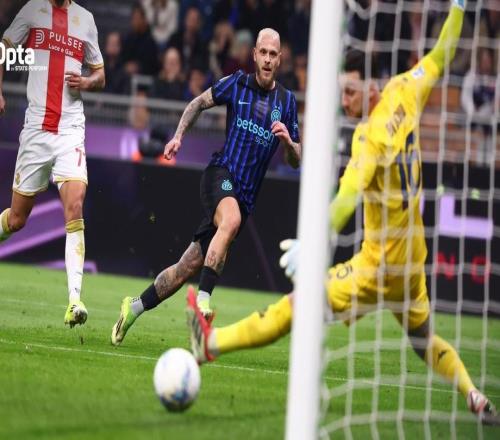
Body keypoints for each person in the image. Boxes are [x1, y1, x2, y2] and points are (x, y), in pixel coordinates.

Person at [187, 0, 498, 423]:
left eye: (350, 91)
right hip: (412, 264)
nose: (344, 100)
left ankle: (210, 344)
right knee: (424, 339)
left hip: (377, 267)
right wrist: (459, 7)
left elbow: (346, 198)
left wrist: (313, 242)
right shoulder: (406, 88)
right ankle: (473, 393)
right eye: (341, 91)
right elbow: (442, 53)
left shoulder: (368, 139)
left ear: (371, 89)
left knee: (296, 306)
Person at [111, 27, 301, 346]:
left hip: (244, 197)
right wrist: (178, 136)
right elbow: (198, 103)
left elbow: (296, 159)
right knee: (231, 220)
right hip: (219, 174)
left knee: (185, 267)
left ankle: (133, 307)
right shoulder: (237, 83)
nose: (268, 59)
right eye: (263, 52)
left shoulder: (287, 101)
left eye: (273, 54)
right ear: (254, 54)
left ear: (279, 59)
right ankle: (203, 302)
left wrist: (288, 144)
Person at [0, 0, 105, 327]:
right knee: (17, 219)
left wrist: (87, 82)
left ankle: (74, 300)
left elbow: (100, 75)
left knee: (75, 205)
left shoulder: (85, 19)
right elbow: (4, 49)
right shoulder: (33, 9)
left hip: (70, 129)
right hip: (36, 129)